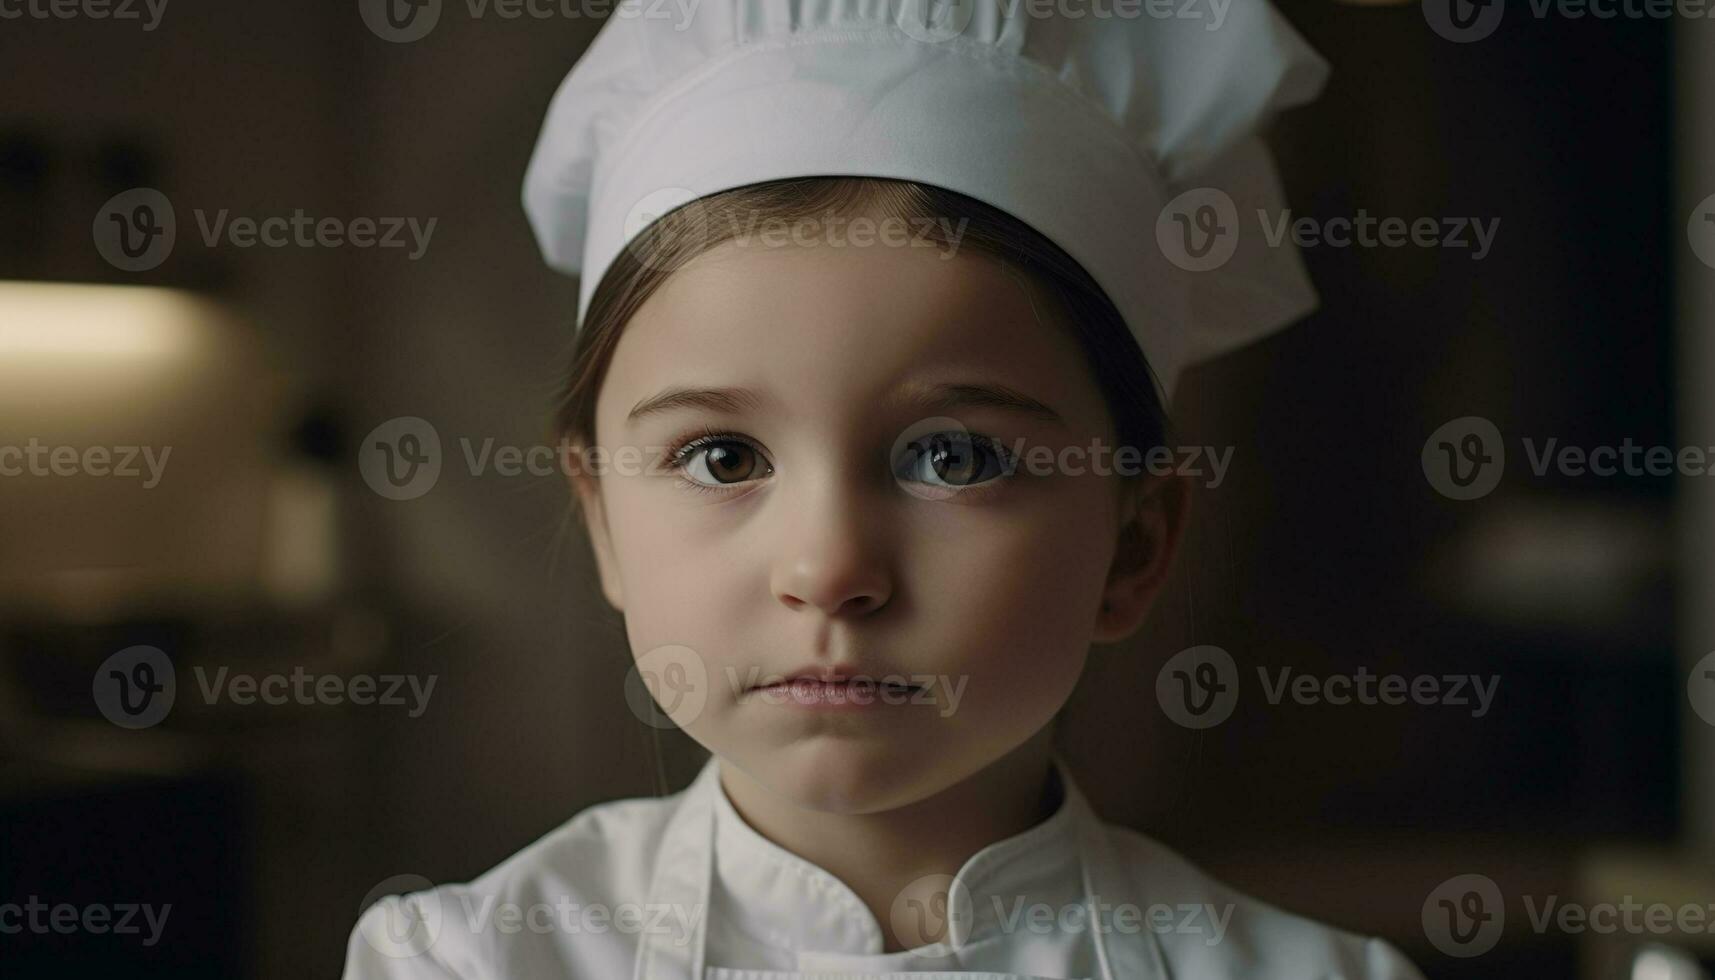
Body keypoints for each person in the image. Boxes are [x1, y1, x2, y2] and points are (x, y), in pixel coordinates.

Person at [343, 1, 1428, 977]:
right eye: (723, 457)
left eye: (952, 456)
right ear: (604, 525)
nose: (829, 568)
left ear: (1133, 542)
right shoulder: (471, 959)